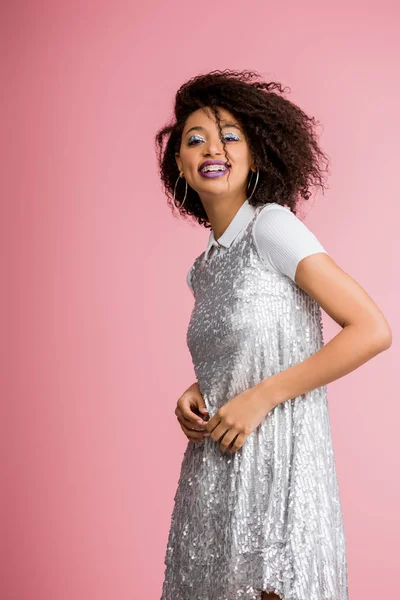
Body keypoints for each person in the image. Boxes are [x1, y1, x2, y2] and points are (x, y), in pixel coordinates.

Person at [155, 70, 392, 600]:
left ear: (256, 156)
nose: (212, 149)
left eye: (230, 136)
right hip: (216, 468)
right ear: (180, 165)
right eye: (196, 140)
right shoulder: (204, 268)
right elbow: (241, 344)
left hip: (278, 468)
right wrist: (199, 390)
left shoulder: (271, 225)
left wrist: (260, 397)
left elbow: (372, 330)